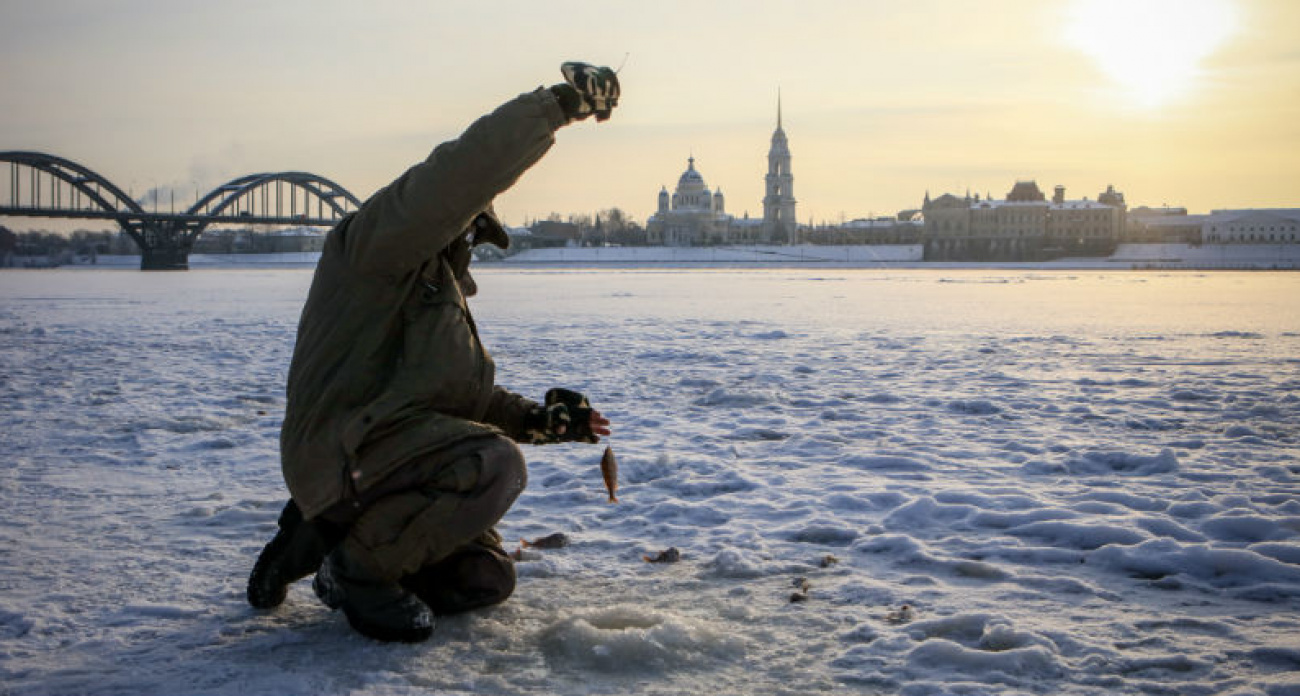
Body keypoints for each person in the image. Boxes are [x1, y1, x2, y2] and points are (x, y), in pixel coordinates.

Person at [245, 62, 618, 643]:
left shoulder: (433, 293)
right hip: (343, 447)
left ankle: (326, 541)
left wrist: (540, 421)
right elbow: (464, 169)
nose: (469, 245)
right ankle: (358, 566)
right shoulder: (374, 247)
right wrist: (558, 105)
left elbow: (458, 400)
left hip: (385, 450)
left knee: (484, 578)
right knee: (495, 465)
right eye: (468, 228)